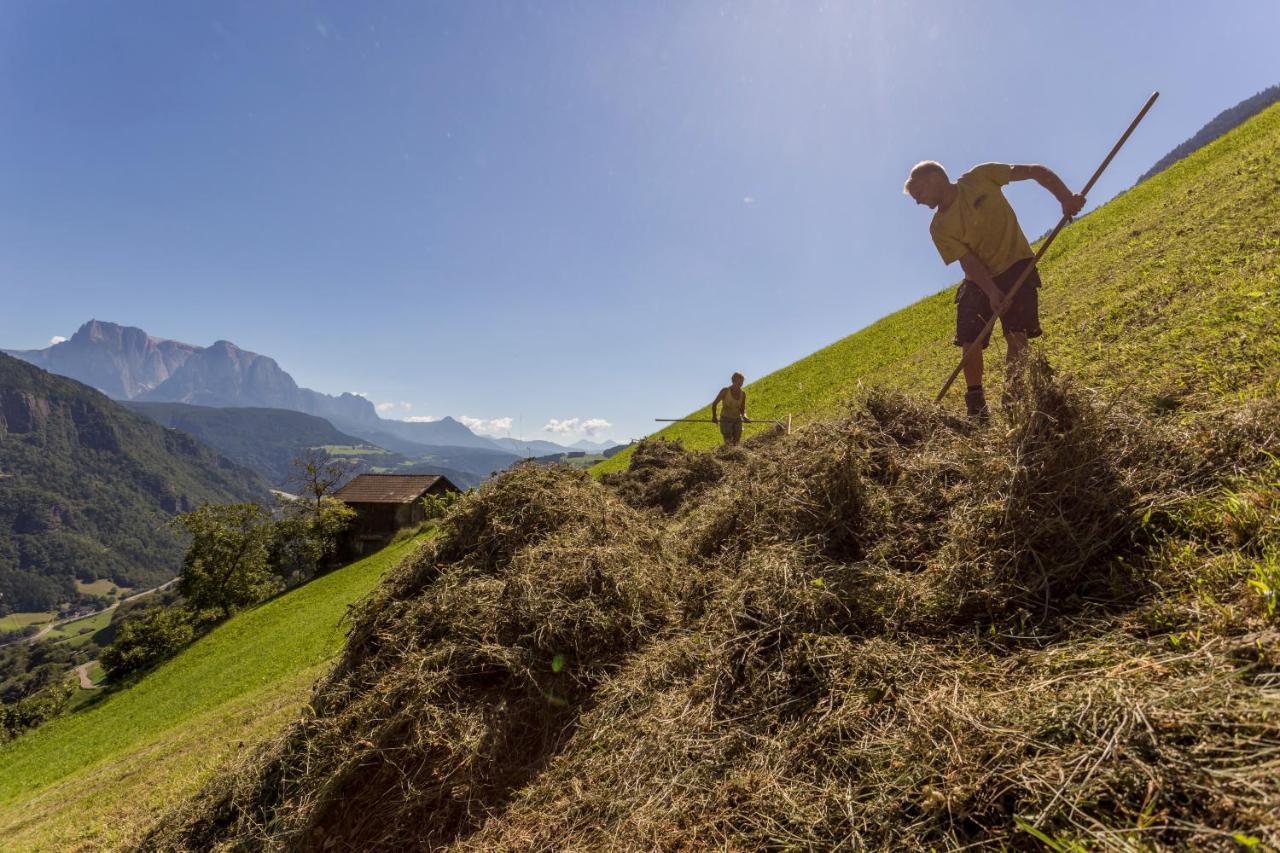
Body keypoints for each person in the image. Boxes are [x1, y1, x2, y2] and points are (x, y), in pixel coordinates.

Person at [904, 160, 1085, 420]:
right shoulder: (939, 227)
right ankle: (976, 405)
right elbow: (968, 260)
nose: (918, 202)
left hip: (1016, 264)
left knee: (1017, 336)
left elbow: (1035, 172)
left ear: (934, 179)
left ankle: (1013, 397)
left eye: (918, 193)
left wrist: (1066, 198)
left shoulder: (981, 176)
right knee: (969, 340)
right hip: (978, 280)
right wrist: (990, 290)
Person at [711, 372, 749, 445]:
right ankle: (728, 454)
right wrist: (714, 416)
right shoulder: (725, 391)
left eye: (742, 382)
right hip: (726, 419)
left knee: (737, 442)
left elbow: (742, 409)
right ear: (733, 381)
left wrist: (745, 416)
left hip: (737, 419)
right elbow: (714, 404)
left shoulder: (743, 394)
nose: (740, 384)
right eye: (739, 382)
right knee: (728, 441)